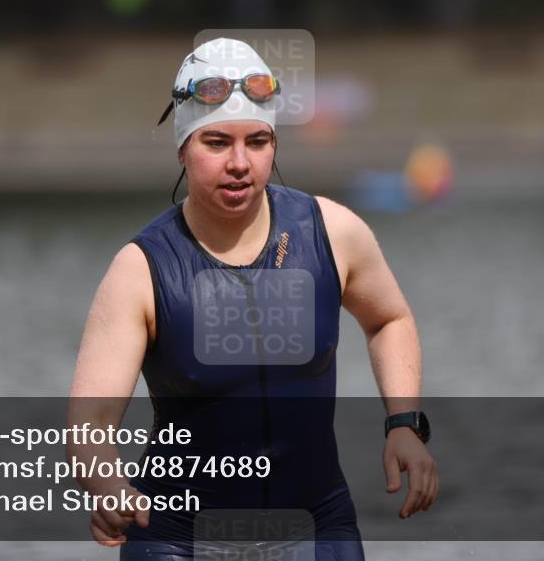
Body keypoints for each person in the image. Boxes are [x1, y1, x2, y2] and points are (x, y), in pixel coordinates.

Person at [68, 38, 438, 560]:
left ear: (275, 145)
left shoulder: (331, 233)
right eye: (216, 142)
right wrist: (106, 483)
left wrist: (404, 424)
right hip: (180, 539)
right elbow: (90, 426)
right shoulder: (142, 269)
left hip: (317, 527)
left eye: (257, 142)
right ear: (182, 148)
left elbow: (388, 319)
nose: (240, 163)